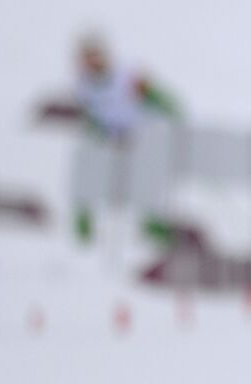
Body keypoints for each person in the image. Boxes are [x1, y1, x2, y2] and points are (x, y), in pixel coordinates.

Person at [71, 33, 179, 244]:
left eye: (95, 56)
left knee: (145, 180)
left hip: (141, 135)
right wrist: (99, 134)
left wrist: (171, 114)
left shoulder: (126, 76)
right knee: (88, 173)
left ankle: (154, 225)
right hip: (112, 139)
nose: (92, 62)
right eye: (87, 58)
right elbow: (94, 116)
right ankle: (84, 228)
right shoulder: (84, 85)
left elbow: (161, 99)